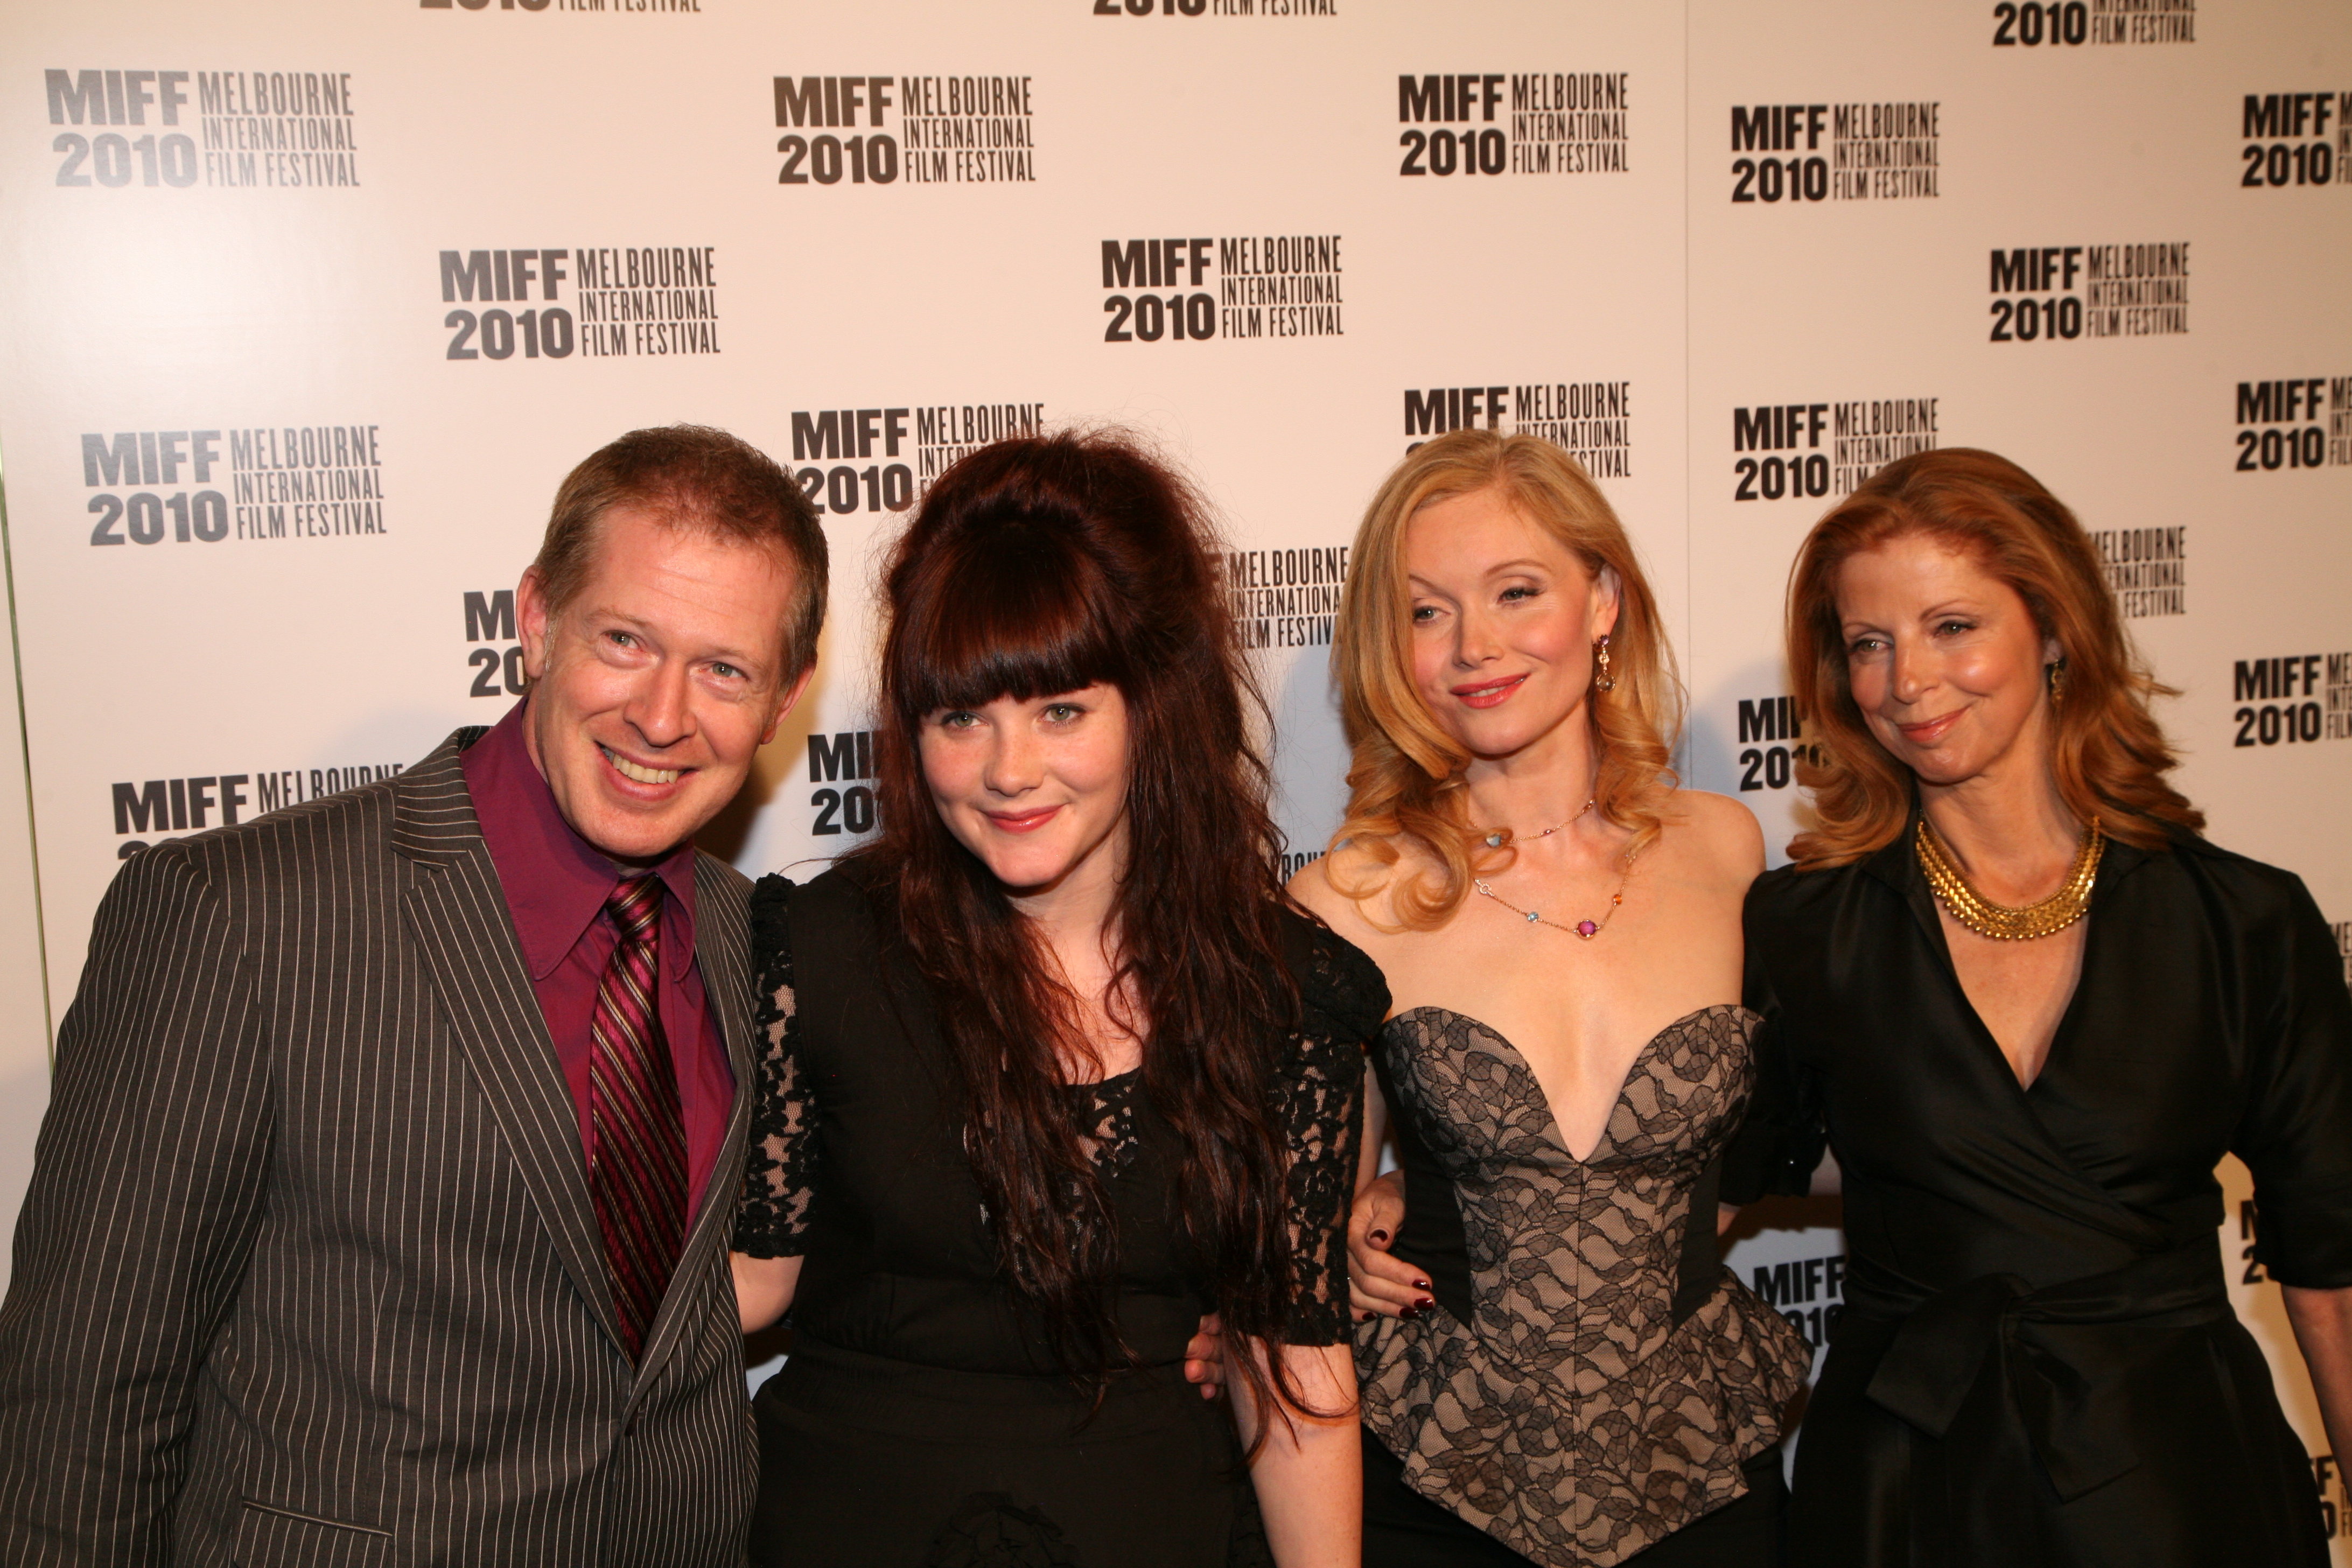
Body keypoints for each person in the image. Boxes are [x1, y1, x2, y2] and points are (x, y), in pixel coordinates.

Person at [0, 425, 826, 1566]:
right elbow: (83, 1398)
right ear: (535, 620)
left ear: (782, 696)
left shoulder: (752, 937)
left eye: (725, 669)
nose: (664, 714)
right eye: (626, 640)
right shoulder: (236, 917)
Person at [729, 431, 1380, 1568]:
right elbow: (747, 1282)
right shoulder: (820, 950)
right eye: (960, 716)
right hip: (853, 1523)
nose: (1008, 769)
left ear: (1153, 704)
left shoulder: (1285, 994)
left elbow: (1295, 1362)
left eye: (1061, 711)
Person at [1725, 447, 2352, 1566]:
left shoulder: (2242, 925)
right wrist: (1415, 1200)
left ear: (2055, 631)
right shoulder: (1805, 929)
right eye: (1870, 643)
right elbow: (1706, 1184)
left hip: (2177, 1480)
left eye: (1953, 626)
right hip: (1904, 1483)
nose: (1907, 680)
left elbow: (2332, 1273)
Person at [1299, 429, 1812, 1568]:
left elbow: (1771, 1140)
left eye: (1515, 592)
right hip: (1440, 1490)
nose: (1473, 645)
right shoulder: (1349, 897)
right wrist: (1341, 1231)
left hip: (1700, 1490)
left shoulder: (1724, 847)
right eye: (1427, 611)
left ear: (1603, 601)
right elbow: (1301, 1219)